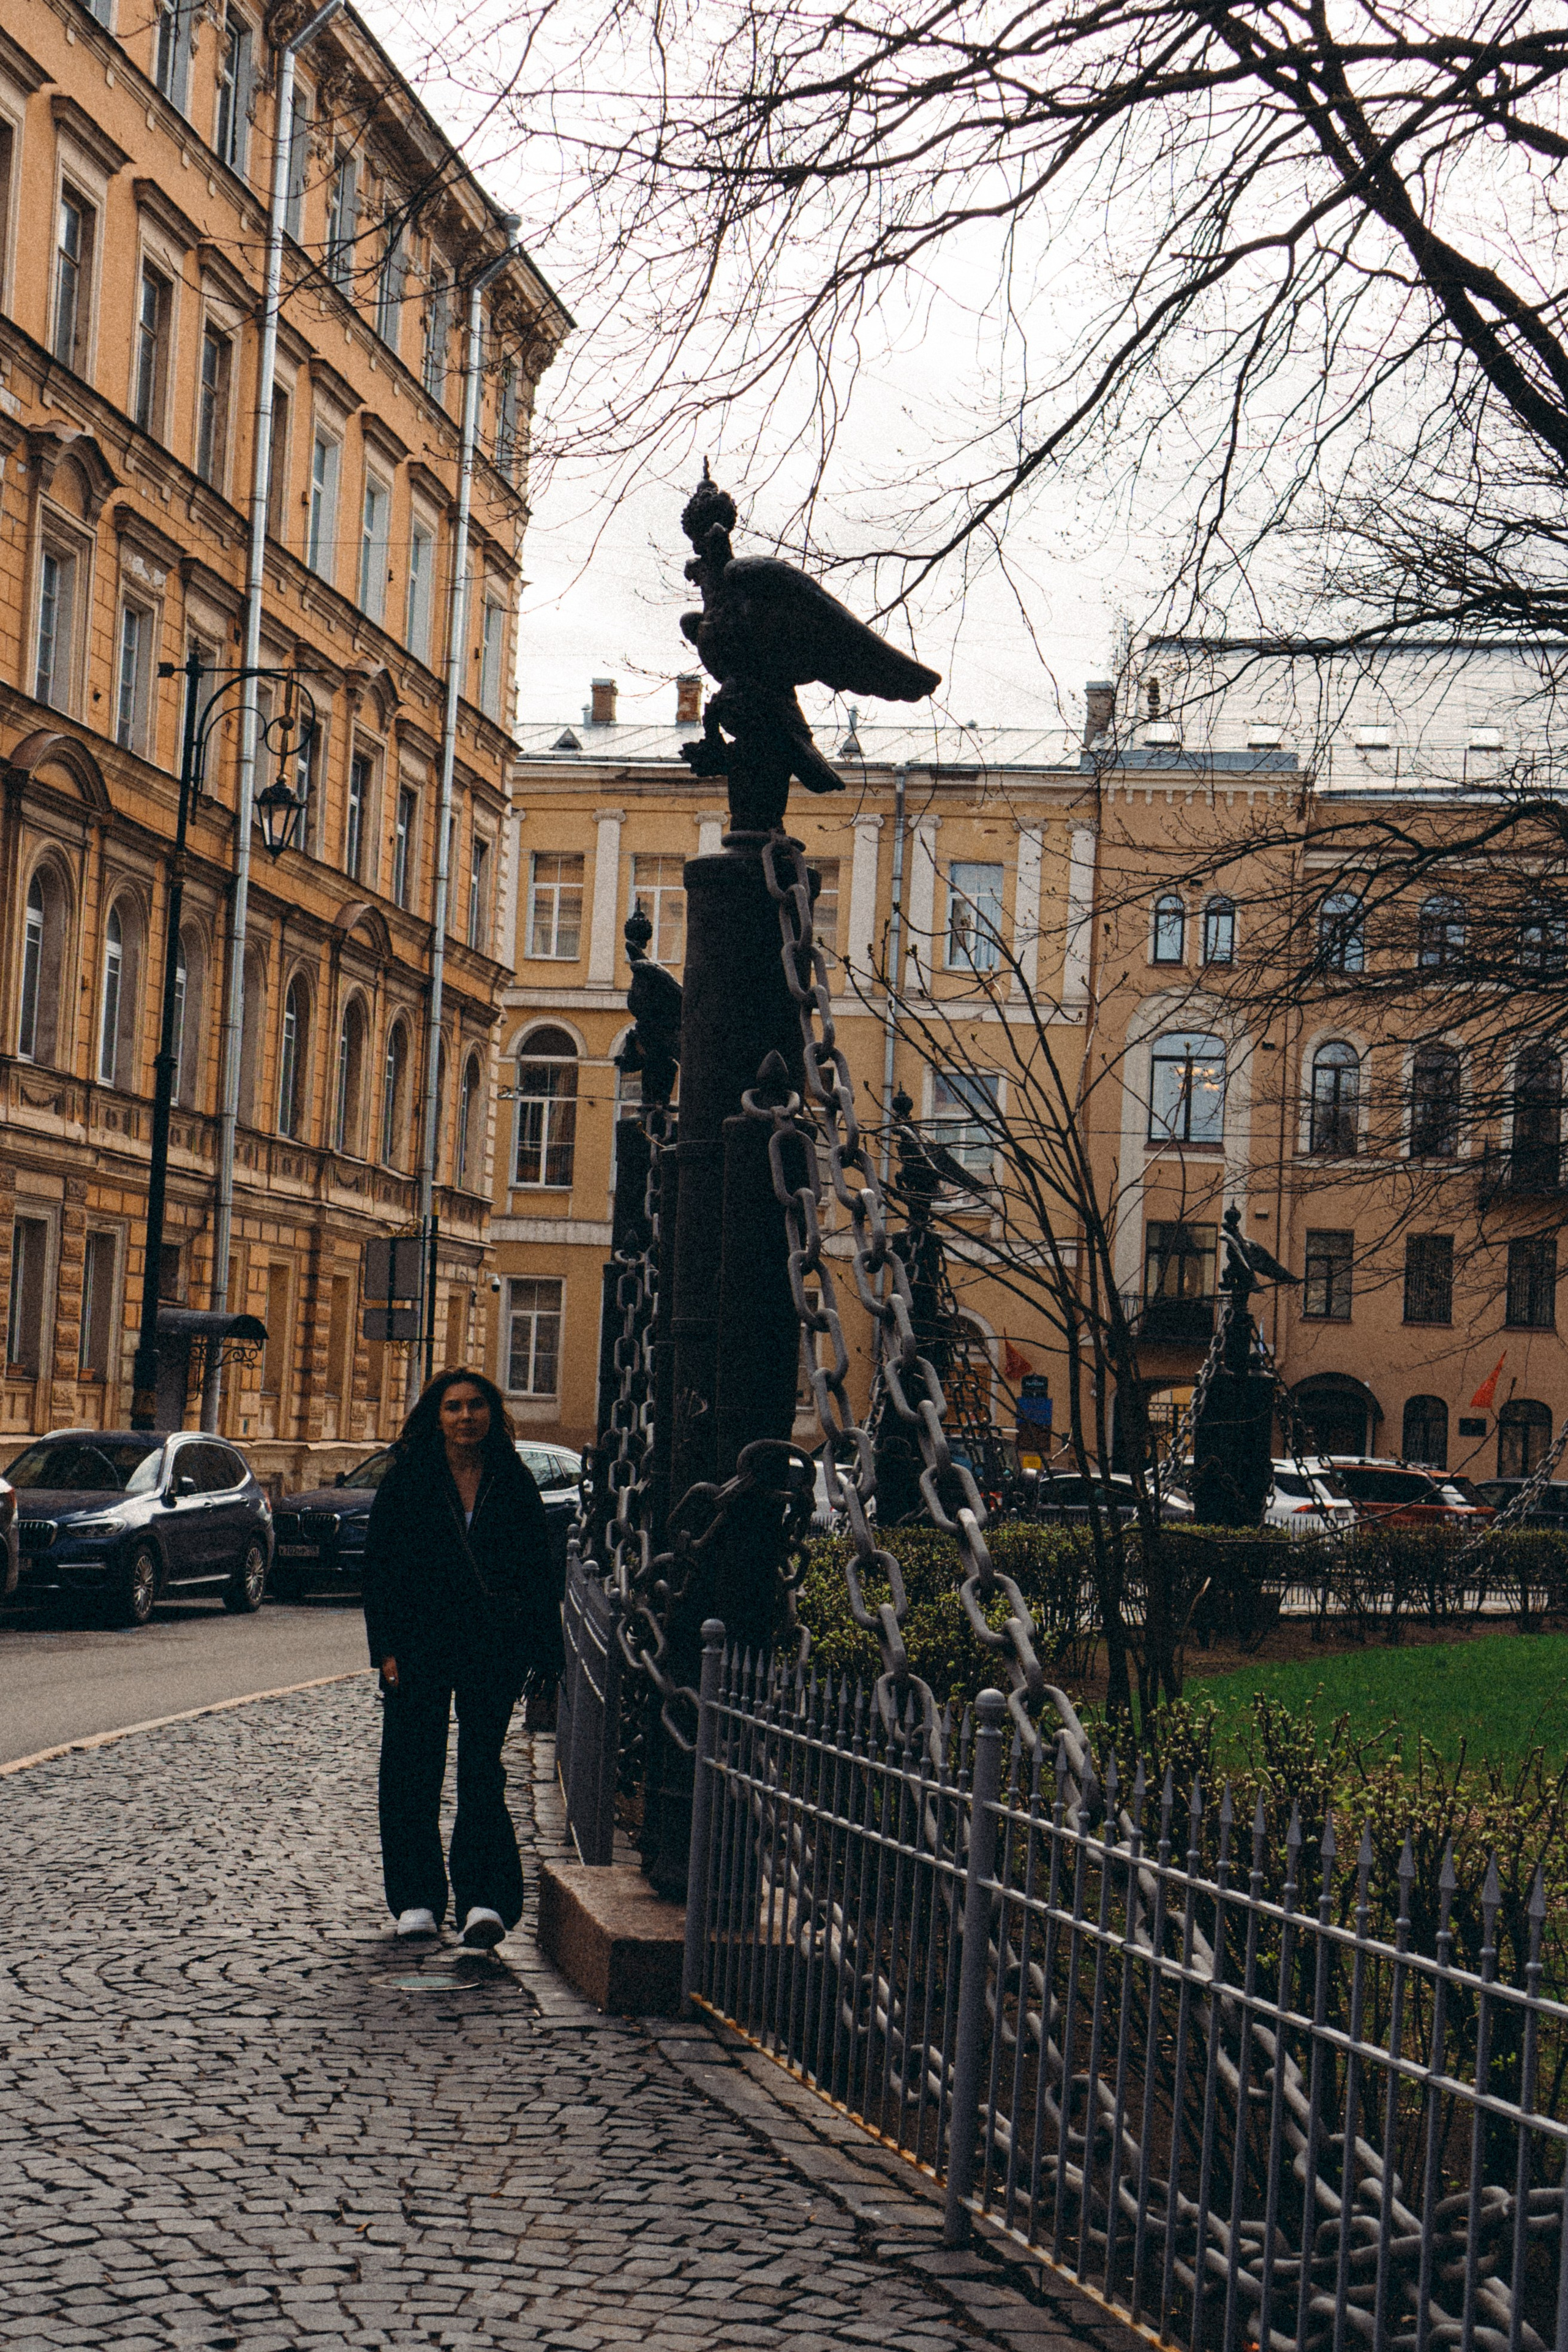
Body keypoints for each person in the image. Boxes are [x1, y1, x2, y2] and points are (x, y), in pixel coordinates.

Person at [362, 1366, 563, 1945]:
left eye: (476, 1406)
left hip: (491, 1645)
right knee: (410, 1770)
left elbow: (538, 1570)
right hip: (419, 1644)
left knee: (482, 1770)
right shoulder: (409, 1480)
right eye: (454, 1407)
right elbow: (382, 1570)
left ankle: (485, 1900)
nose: (466, 1417)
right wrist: (386, 1649)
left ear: (492, 1415)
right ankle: (417, 1899)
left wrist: (543, 1651)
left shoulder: (513, 1479)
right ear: (437, 1416)